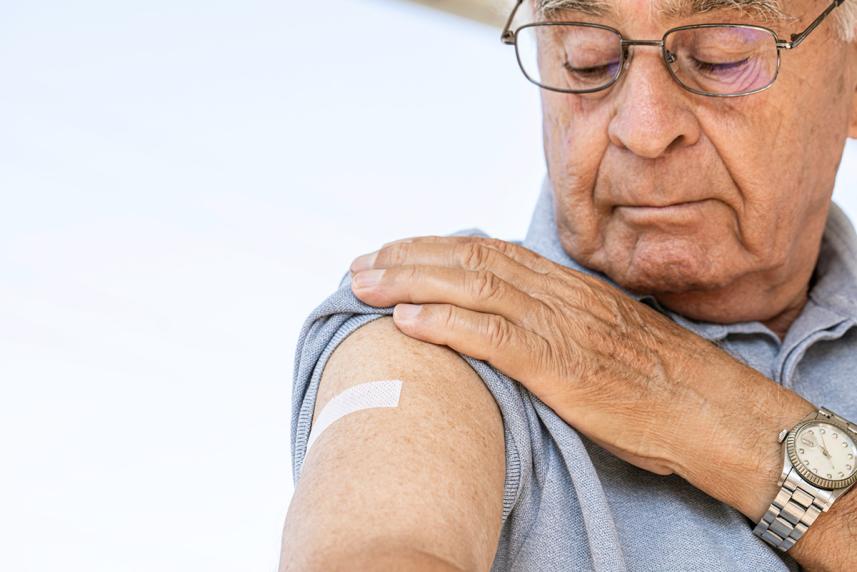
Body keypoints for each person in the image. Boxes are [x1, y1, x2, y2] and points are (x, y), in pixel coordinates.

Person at [280, 0, 857, 569]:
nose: (644, 130)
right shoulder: (441, 330)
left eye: (719, 58)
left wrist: (709, 407)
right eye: (588, 58)